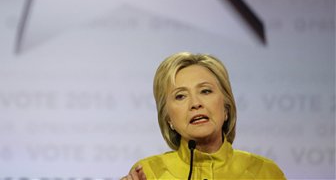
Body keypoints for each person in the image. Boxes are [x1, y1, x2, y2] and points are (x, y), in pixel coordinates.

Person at [122, 52, 286, 180]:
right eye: (180, 96)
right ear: (168, 119)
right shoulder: (148, 173)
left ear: (226, 108)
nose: (195, 103)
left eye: (205, 91)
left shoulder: (265, 173)